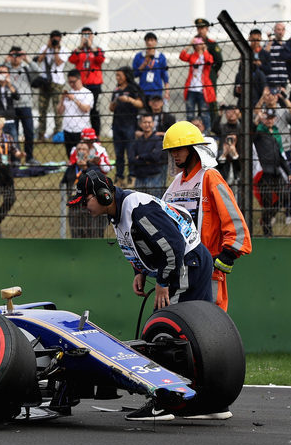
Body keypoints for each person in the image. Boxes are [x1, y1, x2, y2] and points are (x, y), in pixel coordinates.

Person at [68, 167, 214, 421]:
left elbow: (173, 246)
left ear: (104, 195)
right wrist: (141, 272)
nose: (83, 206)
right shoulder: (119, 213)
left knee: (165, 333)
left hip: (183, 263)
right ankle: (211, 401)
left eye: (85, 200)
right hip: (190, 262)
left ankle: (165, 401)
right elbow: (142, 243)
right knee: (198, 334)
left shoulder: (137, 209)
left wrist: (162, 282)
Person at [162, 121, 251, 313]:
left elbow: (235, 220)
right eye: (171, 150)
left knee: (211, 324)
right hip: (180, 269)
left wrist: (228, 255)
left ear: (194, 149)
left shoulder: (210, 177)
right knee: (181, 323)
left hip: (208, 267)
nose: (174, 154)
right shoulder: (176, 183)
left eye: (178, 148)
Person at [253, 109, 291, 237]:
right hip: (264, 173)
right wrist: (256, 121)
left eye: (272, 118)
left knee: (285, 196)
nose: (269, 120)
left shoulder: (275, 134)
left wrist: (289, 172)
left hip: (276, 172)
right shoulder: (259, 133)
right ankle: (267, 232)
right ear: (263, 119)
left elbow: (281, 157)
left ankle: (266, 219)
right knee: (268, 201)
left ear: (275, 119)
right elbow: (250, 133)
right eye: (267, 118)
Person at [0, 116, 24, 238]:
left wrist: (20, 154)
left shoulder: (8, 137)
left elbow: (15, 151)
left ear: (3, 124)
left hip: (6, 170)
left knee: (10, 198)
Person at [108, 67, 143, 185]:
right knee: (118, 153)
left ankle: (132, 175)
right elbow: (111, 108)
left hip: (130, 124)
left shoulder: (133, 88)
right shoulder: (116, 90)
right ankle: (119, 176)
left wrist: (128, 99)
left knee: (131, 151)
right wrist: (115, 102)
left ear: (126, 76)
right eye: (116, 75)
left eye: (119, 75)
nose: (117, 78)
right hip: (117, 124)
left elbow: (140, 103)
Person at [3, 46, 37, 163]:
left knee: (29, 131)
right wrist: (5, 61)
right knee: (14, 134)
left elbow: (38, 71)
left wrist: (27, 59)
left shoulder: (26, 69)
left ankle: (30, 157)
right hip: (11, 106)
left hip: (26, 105)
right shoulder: (5, 69)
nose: (16, 58)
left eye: (18, 55)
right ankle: (16, 158)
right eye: (13, 55)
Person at [69, 27, 106, 135]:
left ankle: (96, 134)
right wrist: (80, 47)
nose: (86, 38)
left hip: (94, 85)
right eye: (84, 35)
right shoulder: (78, 51)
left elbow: (100, 60)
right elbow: (72, 60)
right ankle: (80, 133)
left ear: (92, 36)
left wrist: (91, 47)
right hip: (81, 85)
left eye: (88, 35)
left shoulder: (97, 50)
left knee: (94, 111)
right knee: (79, 110)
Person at [34, 31, 67, 140]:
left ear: (60, 40)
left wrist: (56, 50)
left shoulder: (63, 50)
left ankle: (57, 134)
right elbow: (39, 60)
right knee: (42, 109)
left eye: (57, 40)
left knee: (57, 109)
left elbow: (58, 63)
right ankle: (41, 134)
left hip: (57, 82)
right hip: (44, 81)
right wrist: (47, 48)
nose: (55, 41)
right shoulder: (44, 48)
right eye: (53, 39)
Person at [178, 35, 215, 133]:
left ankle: (207, 131)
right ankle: (189, 131)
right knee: (190, 113)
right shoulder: (192, 56)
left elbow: (209, 61)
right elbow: (182, 56)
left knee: (204, 112)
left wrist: (205, 49)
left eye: (200, 43)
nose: (198, 46)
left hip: (203, 89)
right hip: (191, 88)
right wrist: (190, 44)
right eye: (197, 44)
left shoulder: (207, 55)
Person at [128, 113, 168, 198]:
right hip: (140, 177)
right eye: (145, 122)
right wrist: (148, 158)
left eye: (149, 122)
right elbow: (131, 159)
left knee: (155, 202)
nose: (147, 125)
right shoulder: (137, 142)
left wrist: (140, 157)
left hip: (154, 177)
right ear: (140, 124)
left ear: (153, 124)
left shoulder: (158, 140)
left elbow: (156, 157)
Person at [62, 140, 97, 238]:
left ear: (88, 152)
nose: (81, 151)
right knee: (76, 234)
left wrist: (85, 168)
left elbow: (96, 181)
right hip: (74, 207)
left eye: (84, 149)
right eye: (79, 149)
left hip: (89, 206)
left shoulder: (94, 168)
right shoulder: (71, 168)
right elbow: (63, 182)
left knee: (92, 235)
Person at [57, 69, 94, 156]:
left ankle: (81, 169)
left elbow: (86, 109)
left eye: (73, 82)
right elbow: (59, 111)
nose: (71, 84)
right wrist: (62, 99)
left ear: (79, 79)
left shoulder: (87, 93)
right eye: (69, 82)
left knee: (81, 155)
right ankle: (73, 168)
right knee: (70, 154)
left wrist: (74, 99)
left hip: (81, 130)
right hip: (68, 129)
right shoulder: (69, 93)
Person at [194, 18, 223, 128]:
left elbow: (219, 60)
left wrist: (213, 72)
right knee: (199, 102)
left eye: (202, 28)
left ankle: (213, 125)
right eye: (199, 28)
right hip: (197, 78)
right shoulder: (195, 43)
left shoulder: (211, 44)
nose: (200, 30)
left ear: (207, 29)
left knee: (210, 101)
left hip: (209, 77)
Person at [234, 29, 268, 109]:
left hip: (259, 87)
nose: (255, 42)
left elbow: (269, 69)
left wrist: (260, 65)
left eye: (257, 40)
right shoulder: (244, 53)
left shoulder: (264, 54)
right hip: (244, 97)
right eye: (253, 40)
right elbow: (240, 70)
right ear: (249, 39)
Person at [132, 32, 169, 105]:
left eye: (152, 40)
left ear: (156, 42)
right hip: (143, 90)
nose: (149, 43)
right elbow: (134, 74)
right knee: (143, 113)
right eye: (147, 40)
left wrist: (167, 92)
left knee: (156, 112)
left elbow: (165, 76)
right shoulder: (139, 56)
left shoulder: (161, 57)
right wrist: (145, 63)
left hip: (156, 90)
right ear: (145, 42)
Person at [263, 22, 291, 93]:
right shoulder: (268, 44)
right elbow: (265, 55)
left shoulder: (286, 45)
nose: (280, 32)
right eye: (278, 30)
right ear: (274, 31)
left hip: (283, 80)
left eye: (282, 30)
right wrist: (270, 41)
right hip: (271, 79)